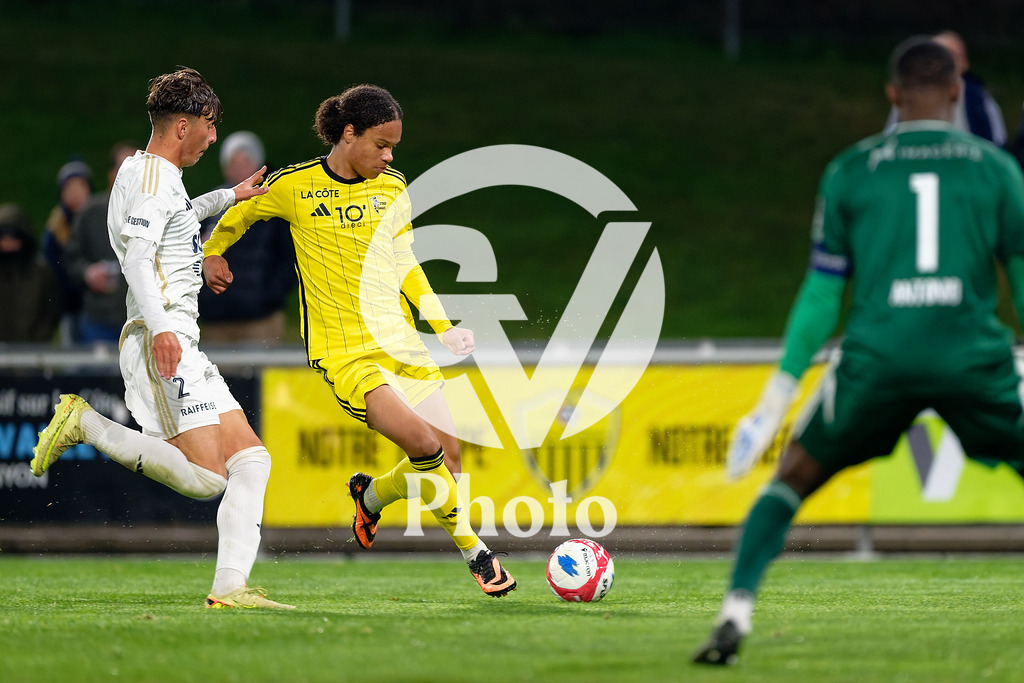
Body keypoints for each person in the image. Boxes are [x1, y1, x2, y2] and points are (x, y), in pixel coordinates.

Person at [693, 37, 1024, 665]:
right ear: (958, 91)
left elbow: (821, 298)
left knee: (790, 480)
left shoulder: (852, 169)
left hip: (879, 362)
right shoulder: (996, 169)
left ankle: (735, 613)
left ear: (892, 96)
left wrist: (773, 401)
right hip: (971, 359)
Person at [203, 84, 517, 597]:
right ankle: (478, 554)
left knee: (452, 454)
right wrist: (214, 252)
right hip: (345, 353)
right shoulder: (295, 185)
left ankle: (371, 497)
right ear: (348, 135)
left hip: (400, 343)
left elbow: (405, 264)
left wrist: (444, 326)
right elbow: (239, 214)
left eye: (394, 146)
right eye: (381, 144)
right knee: (424, 444)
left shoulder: (392, 187)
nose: (390, 156)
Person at [31, 67, 292, 610]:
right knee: (205, 478)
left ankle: (230, 588)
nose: (214, 137)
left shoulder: (146, 174)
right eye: (210, 125)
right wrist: (163, 327)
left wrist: (229, 197)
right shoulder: (153, 181)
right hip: (161, 335)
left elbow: (176, 220)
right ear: (183, 124)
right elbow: (139, 261)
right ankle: (87, 424)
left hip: (178, 336)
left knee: (251, 460)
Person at [198, 131, 295, 346]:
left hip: (260, 317)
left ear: (258, 165)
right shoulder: (212, 205)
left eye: (245, 161)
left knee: (261, 377)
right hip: (217, 316)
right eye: (233, 162)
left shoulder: (272, 205)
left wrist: (269, 298)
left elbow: (288, 258)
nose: (238, 168)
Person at [64, 142, 139, 345]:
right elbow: (70, 258)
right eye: (124, 168)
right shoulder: (90, 211)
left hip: (142, 320)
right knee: (95, 376)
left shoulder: (157, 212)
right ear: (112, 174)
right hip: (99, 320)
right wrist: (88, 273)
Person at [884, 30, 1007, 147]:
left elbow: (998, 141)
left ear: (965, 62)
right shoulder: (907, 96)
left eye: (950, 55)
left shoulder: (979, 99)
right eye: (933, 54)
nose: (940, 62)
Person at [42, 159, 93, 344]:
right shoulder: (56, 227)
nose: (75, 194)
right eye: (69, 188)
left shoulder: (97, 219)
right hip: (68, 303)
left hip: (95, 303)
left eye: (80, 187)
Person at [0, 203, 61, 343]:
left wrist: (39, 340)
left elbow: (51, 311)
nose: (8, 241)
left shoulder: (40, 271)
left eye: (14, 235)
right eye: (3, 235)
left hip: (32, 352)